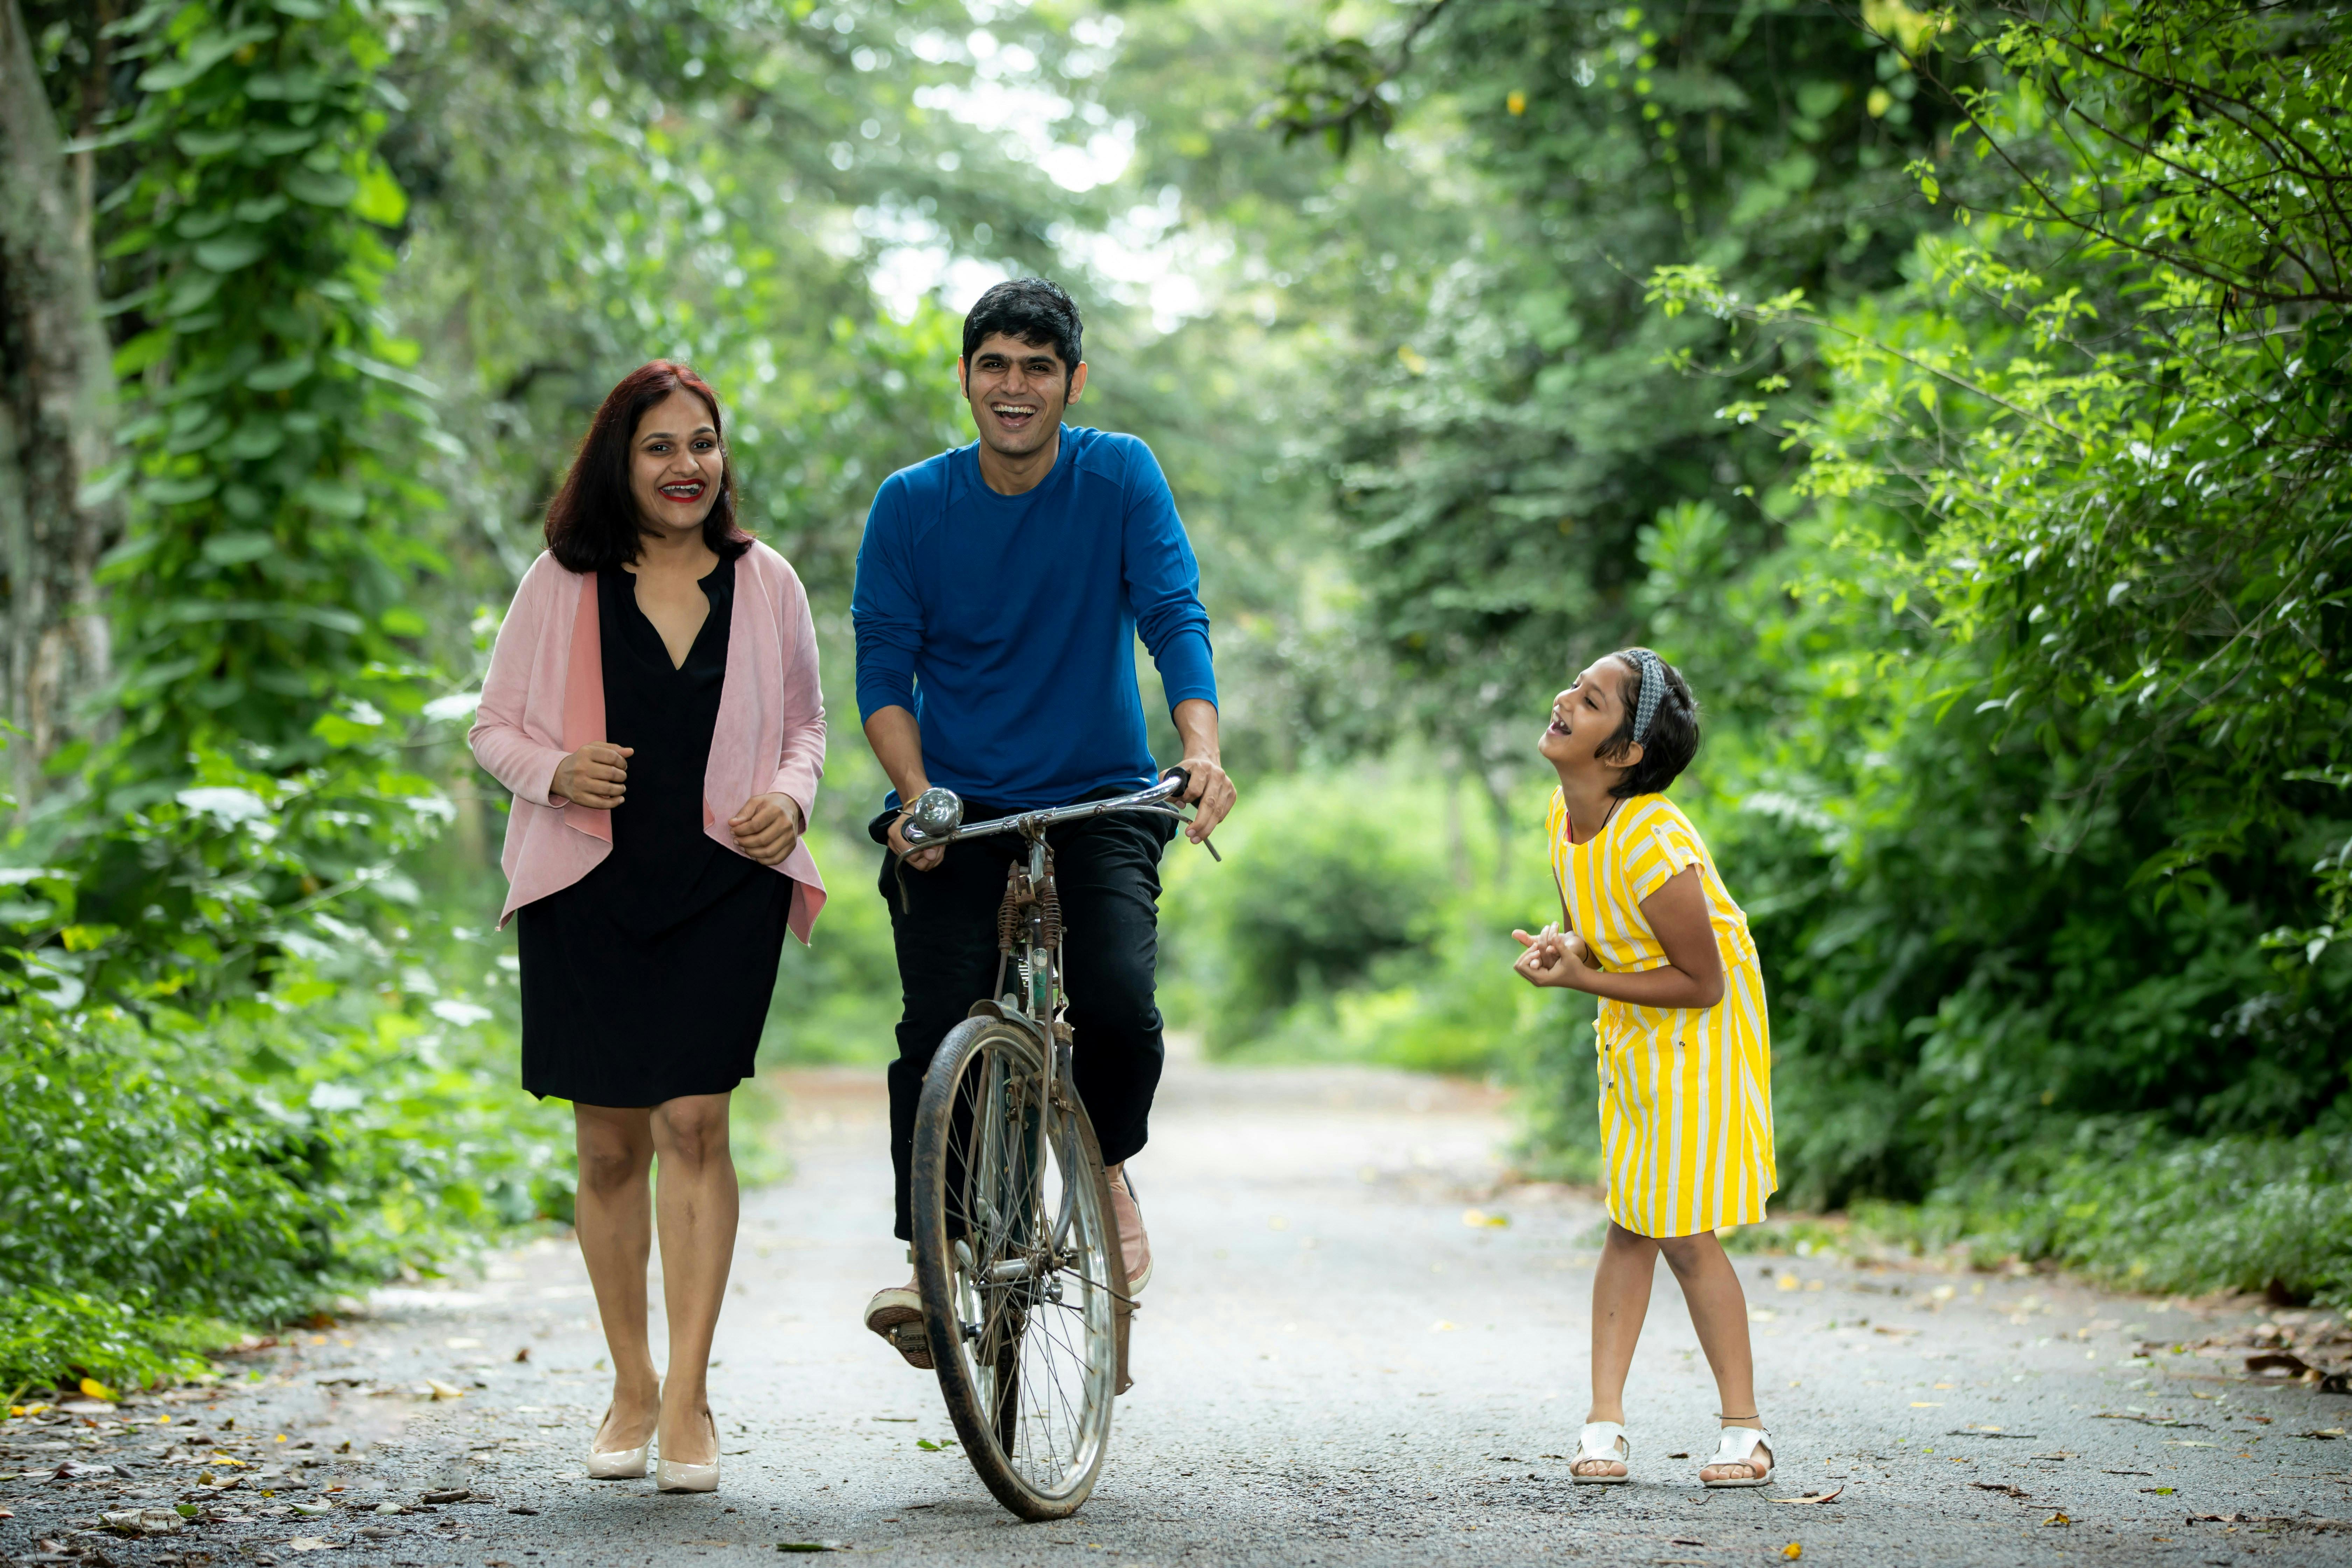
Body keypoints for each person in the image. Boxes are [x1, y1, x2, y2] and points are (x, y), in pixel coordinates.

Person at [848, 278, 1236, 1366]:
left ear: (1072, 380)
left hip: (1103, 794)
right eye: (993, 365)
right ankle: (938, 1263)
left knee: (1117, 997)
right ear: (966, 377)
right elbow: (884, 662)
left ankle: (1105, 1159)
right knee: (935, 1033)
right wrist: (918, 794)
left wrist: (1199, 749)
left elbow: (1172, 614)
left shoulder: (1119, 475)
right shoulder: (912, 504)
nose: (1013, 387)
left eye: (1036, 366)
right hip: (960, 806)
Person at [469, 361, 828, 1494]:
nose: (687, 467)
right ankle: (630, 1380)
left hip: (727, 880)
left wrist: (795, 797)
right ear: (620, 461)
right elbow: (492, 730)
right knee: (609, 1144)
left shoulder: (766, 581)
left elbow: (808, 728)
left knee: (696, 1123)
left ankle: (689, 1398)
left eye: (704, 443)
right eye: (661, 447)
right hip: (589, 886)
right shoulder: (560, 582)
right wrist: (559, 767)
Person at [1510, 648, 1778, 1488]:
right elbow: (1595, 917)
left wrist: (1584, 975)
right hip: (1635, 1032)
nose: (1564, 701)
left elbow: (1704, 980)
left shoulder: (1655, 838)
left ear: (1623, 754)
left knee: (1683, 1232)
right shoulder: (1565, 816)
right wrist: (1569, 944)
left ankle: (1746, 1429)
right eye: (1575, 688)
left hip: (1699, 1042)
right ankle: (1605, 1421)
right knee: (1632, 1220)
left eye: (1589, 702)